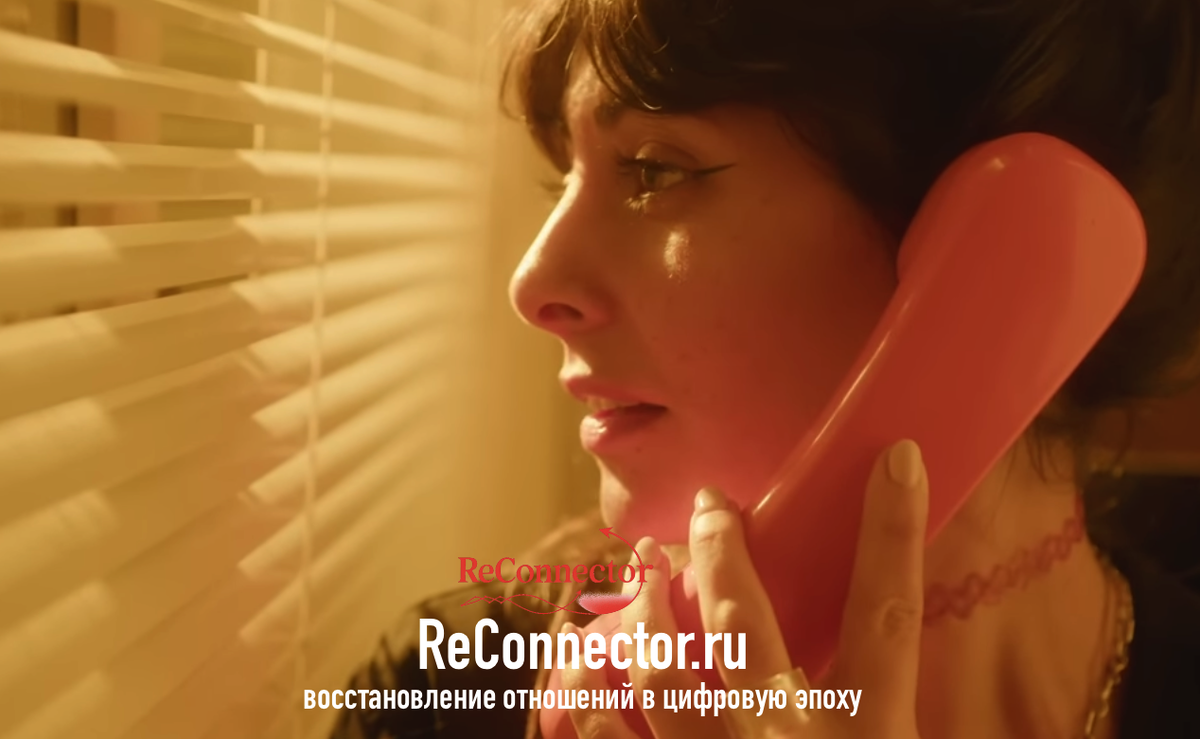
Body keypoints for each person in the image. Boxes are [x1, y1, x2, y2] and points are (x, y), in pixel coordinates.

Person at [328, 0, 1200, 737]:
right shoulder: (443, 692)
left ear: (1010, 253)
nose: (533, 285)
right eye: (564, 178)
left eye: (653, 170)